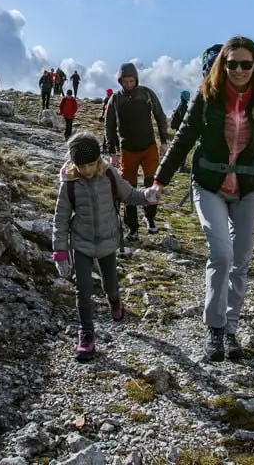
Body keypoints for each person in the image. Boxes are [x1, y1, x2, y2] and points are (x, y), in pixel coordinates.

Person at [146, 36, 254, 363]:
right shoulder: (207, 97)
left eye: (245, 64)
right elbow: (183, 139)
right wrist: (158, 181)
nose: (238, 70)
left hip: (248, 185)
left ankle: (231, 329)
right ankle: (215, 329)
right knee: (221, 255)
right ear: (222, 64)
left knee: (242, 257)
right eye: (231, 63)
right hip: (209, 183)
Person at [51, 132, 159, 362]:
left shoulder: (109, 174)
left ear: (98, 160)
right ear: (73, 163)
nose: (87, 170)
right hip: (81, 243)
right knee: (83, 289)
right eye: (82, 166)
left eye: (91, 165)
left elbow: (129, 194)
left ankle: (114, 299)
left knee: (110, 285)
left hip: (108, 241)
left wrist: (147, 197)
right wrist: (60, 252)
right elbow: (60, 219)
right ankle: (86, 335)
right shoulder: (68, 183)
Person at [104, 62, 170, 239]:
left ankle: (150, 218)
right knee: (127, 189)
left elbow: (160, 116)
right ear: (120, 81)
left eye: (131, 81)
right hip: (127, 150)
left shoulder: (146, 94)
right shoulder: (115, 99)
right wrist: (112, 152)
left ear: (136, 79)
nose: (129, 84)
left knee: (153, 184)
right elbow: (109, 126)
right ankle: (131, 227)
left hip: (149, 147)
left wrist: (164, 141)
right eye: (125, 81)